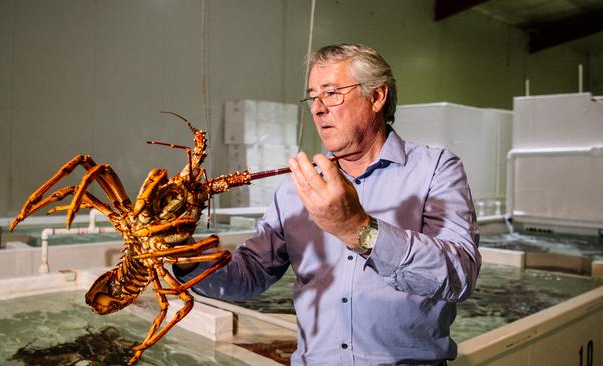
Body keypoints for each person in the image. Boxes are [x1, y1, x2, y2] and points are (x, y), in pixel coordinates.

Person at [175, 43, 480, 366]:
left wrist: (359, 230)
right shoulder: (298, 186)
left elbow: (459, 273)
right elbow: (249, 273)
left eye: (332, 93)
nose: (318, 108)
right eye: (312, 96)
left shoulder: (435, 169)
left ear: (377, 97)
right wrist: (183, 253)